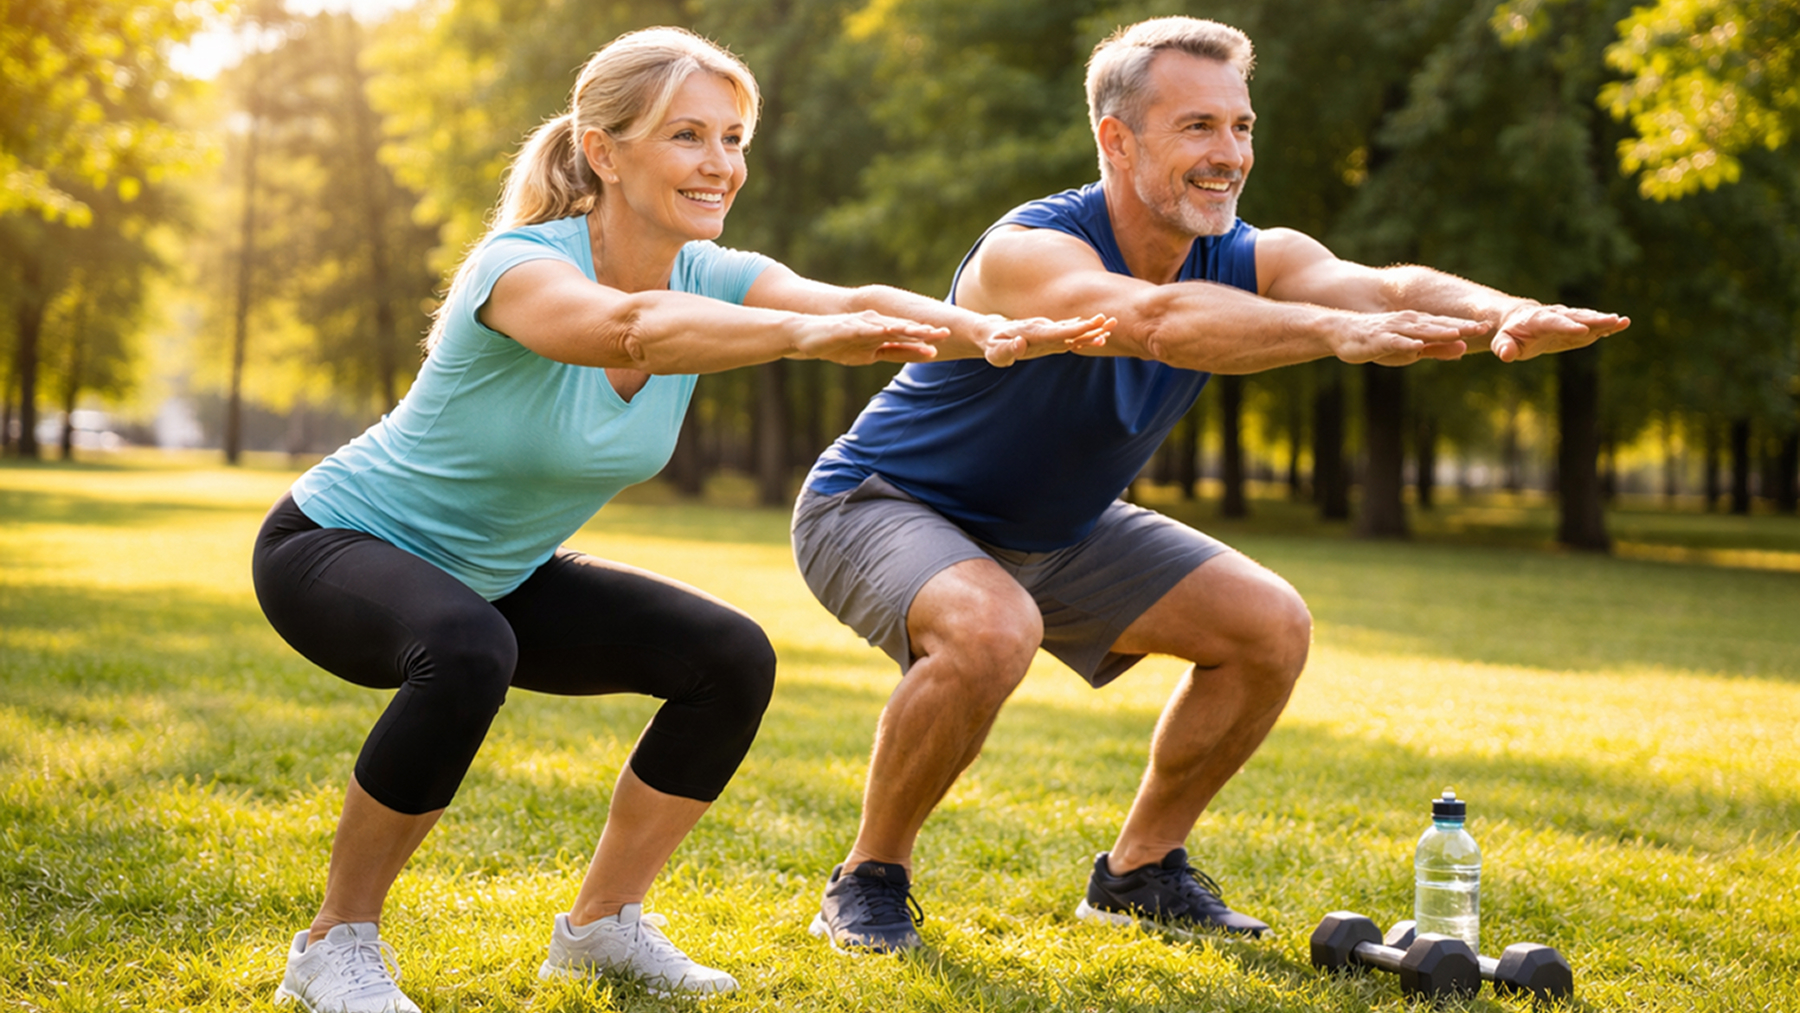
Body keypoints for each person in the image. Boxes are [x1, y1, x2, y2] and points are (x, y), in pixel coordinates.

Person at [252, 26, 1108, 1012]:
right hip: (335, 546)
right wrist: (802, 335)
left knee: (728, 656)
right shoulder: (520, 267)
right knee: (468, 646)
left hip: (498, 571)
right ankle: (335, 942)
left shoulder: (713, 274)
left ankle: (602, 927)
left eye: (734, 138)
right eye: (688, 135)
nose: (720, 164)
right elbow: (630, 329)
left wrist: (989, 332)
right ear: (603, 150)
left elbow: (855, 297)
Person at [792, 15, 1630, 953]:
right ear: (1118, 139)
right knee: (993, 628)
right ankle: (869, 877)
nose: (1229, 153)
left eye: (1242, 127)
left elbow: (1381, 287)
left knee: (1268, 626)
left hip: (1058, 527)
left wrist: (1504, 310)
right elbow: (1153, 320)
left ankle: (1139, 872)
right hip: (881, 502)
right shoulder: (1027, 250)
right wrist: (1325, 332)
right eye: (1198, 127)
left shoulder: (1250, 252)